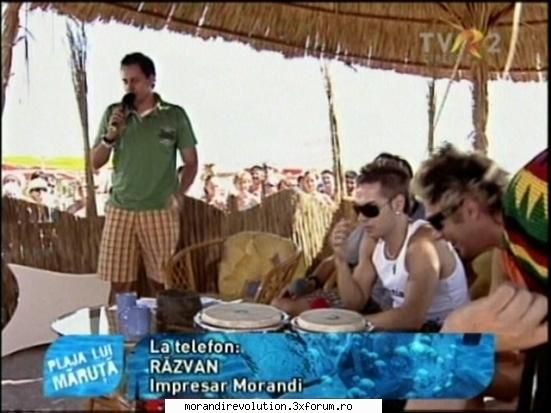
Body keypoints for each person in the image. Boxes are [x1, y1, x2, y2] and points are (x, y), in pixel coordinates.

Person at [409, 145, 547, 411]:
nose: (436, 234)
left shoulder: (528, 226)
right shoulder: (506, 255)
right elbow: (510, 362)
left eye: (437, 222)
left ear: (470, 209)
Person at [91, 52, 198, 301]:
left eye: (135, 80)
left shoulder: (174, 115)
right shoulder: (113, 113)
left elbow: (191, 162)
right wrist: (110, 136)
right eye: (125, 81)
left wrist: (179, 194)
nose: (129, 87)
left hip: (159, 209)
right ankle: (123, 325)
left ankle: (163, 325)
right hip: (121, 208)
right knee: (119, 285)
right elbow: (95, 162)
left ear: (152, 80)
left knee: (163, 282)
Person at [332, 161, 470, 331]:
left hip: (449, 335)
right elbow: (355, 302)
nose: (361, 218)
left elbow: (412, 318)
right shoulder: (372, 242)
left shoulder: (422, 245)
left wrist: (351, 324)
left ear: (398, 204)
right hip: (410, 334)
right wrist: (340, 260)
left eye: (370, 210)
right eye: (357, 210)